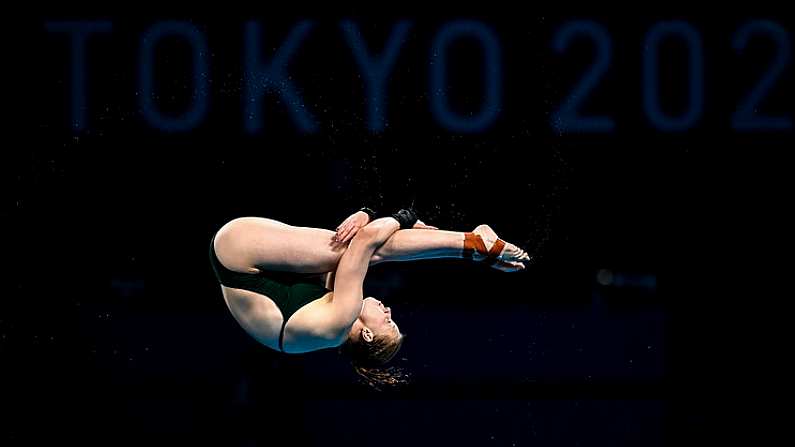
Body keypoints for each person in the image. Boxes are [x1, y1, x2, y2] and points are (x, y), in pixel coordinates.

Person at [209, 208, 530, 388]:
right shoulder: (327, 327)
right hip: (246, 261)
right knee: (364, 253)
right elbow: (359, 251)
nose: (389, 310)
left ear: (366, 333)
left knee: (364, 249)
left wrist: (399, 214)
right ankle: (472, 246)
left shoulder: (339, 320)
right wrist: (372, 223)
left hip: (239, 251)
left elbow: (364, 242)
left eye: (388, 321)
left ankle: (473, 246)